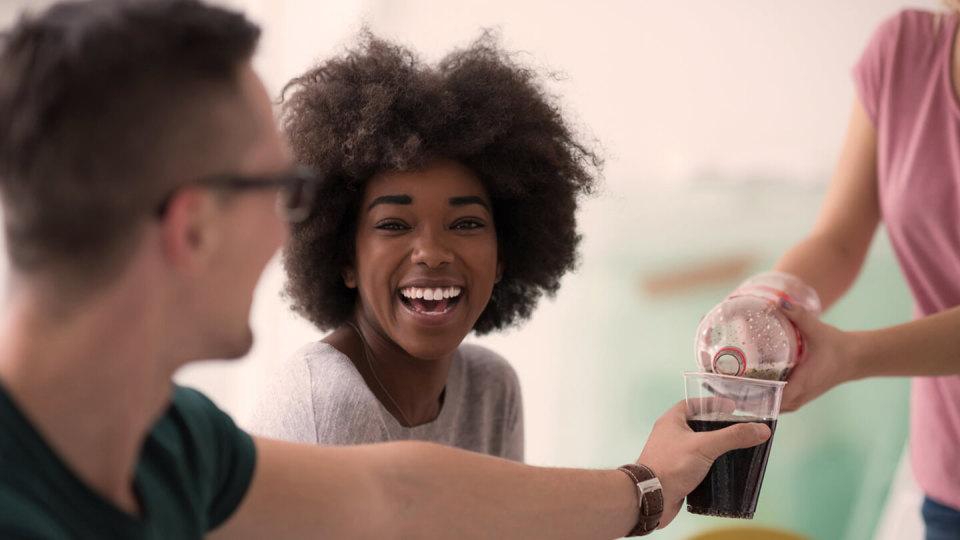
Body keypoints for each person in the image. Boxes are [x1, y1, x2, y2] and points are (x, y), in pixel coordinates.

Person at [0, 1, 771, 538]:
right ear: (194, 226)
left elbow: (398, 497)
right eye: (283, 189)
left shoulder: (172, 442)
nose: (289, 229)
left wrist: (647, 483)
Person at [249, 33, 597, 461]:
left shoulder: (491, 389)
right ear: (345, 258)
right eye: (394, 224)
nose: (431, 252)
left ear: (504, 254)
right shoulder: (325, 402)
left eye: (466, 223)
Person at [751, 6, 960, 538]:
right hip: (949, 479)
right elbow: (839, 241)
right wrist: (771, 301)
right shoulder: (905, 49)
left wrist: (850, 356)